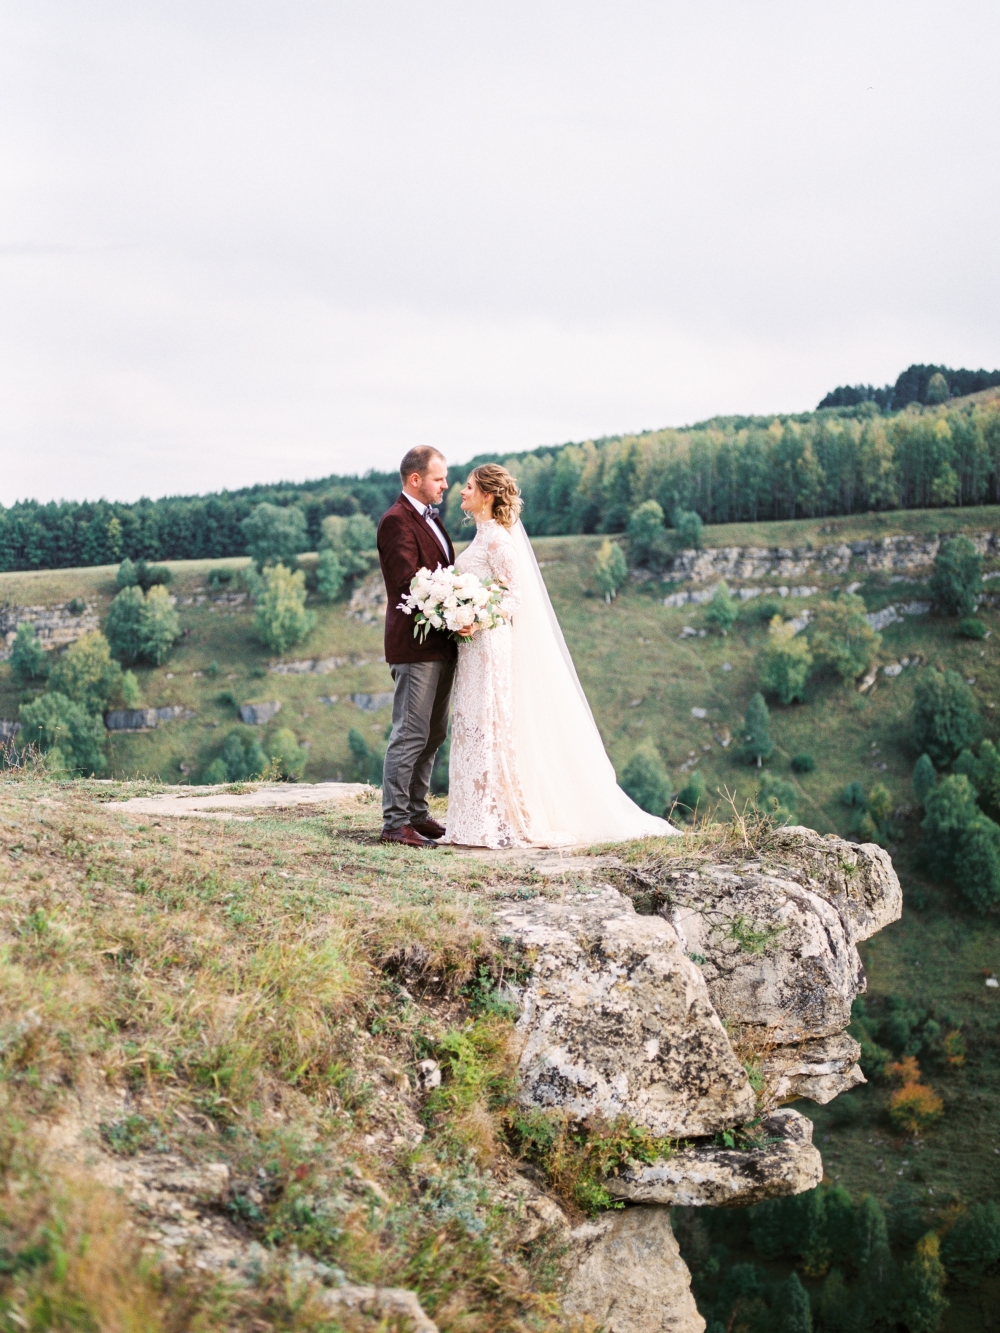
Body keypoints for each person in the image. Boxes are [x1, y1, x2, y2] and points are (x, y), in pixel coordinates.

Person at [441, 463, 676, 848]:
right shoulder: (483, 537)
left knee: (489, 720)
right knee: (472, 721)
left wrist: (474, 617)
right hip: (473, 646)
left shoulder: (499, 540)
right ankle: (473, 818)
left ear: (487, 495)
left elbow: (514, 595)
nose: (461, 492)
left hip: (489, 644)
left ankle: (496, 818)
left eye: (468, 487)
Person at [376, 446, 456, 847]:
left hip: (443, 643)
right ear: (415, 479)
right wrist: (457, 596)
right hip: (415, 645)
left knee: (434, 732)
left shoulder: (434, 520)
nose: (446, 485)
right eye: (439, 478)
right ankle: (395, 823)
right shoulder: (395, 521)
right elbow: (409, 582)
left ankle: (417, 812)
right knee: (410, 732)